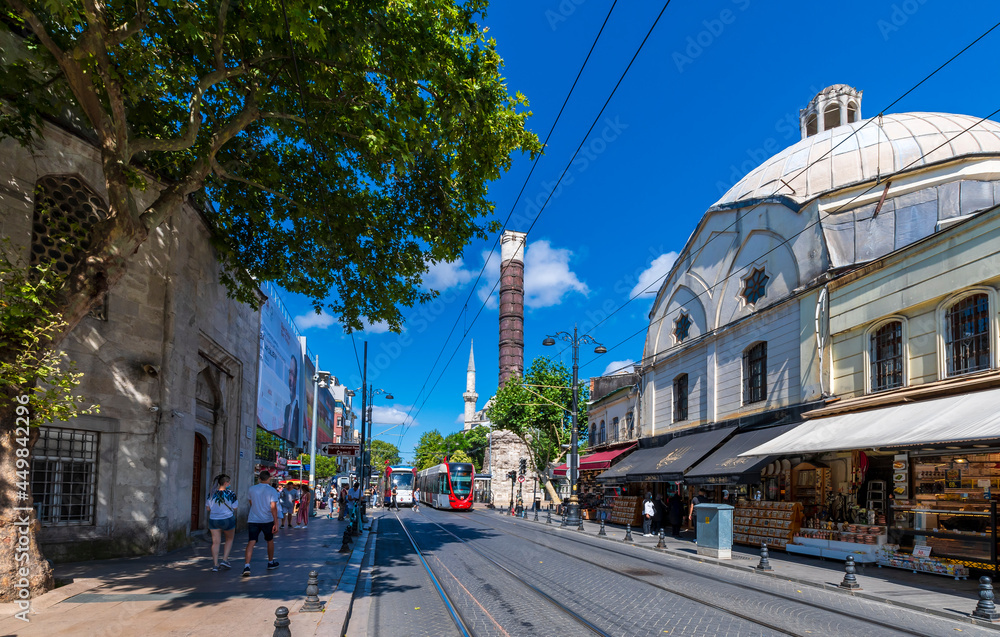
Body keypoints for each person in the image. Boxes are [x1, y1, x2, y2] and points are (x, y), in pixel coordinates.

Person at [243, 470, 280, 577]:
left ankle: (247, 565)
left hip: (253, 519)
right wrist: (276, 522)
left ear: (259, 478)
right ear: (269, 479)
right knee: (270, 540)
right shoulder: (272, 490)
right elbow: (273, 507)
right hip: (267, 519)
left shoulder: (251, 489)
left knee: (251, 541)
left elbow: (251, 503)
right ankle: (270, 562)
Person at [205, 474, 237, 572]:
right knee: (229, 539)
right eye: (229, 482)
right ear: (226, 483)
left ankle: (215, 565)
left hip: (214, 519)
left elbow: (208, 508)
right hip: (227, 519)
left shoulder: (211, 493)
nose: (230, 484)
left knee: (215, 542)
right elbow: (235, 507)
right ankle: (224, 559)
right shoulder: (231, 494)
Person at [281, 356, 300, 442]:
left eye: (292, 374)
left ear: (296, 379)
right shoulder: (287, 408)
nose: (290, 379)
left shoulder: (299, 410)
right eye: (289, 373)